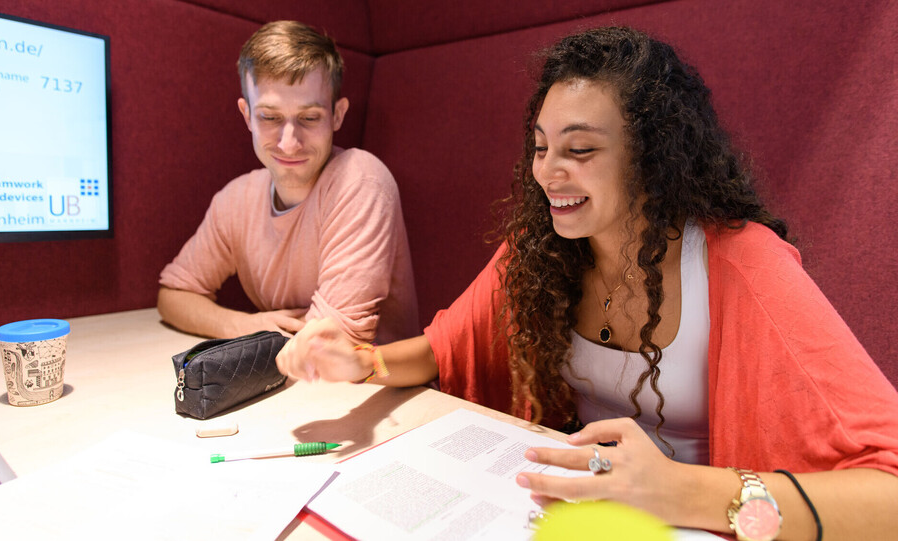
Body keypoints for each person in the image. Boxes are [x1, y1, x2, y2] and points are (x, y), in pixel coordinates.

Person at [276, 26, 898, 540]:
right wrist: (362, 362)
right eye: (541, 147)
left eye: (580, 150)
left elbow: (888, 493)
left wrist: (677, 491)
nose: (548, 172)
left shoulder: (744, 265)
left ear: (654, 157)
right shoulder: (542, 249)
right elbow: (446, 349)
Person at [158, 21, 419, 344]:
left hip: (378, 388)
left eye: (309, 118)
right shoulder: (236, 199)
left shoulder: (361, 179)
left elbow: (331, 341)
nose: (289, 142)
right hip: (287, 379)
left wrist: (267, 335)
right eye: (270, 117)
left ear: (337, 115)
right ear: (247, 115)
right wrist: (244, 326)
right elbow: (173, 296)